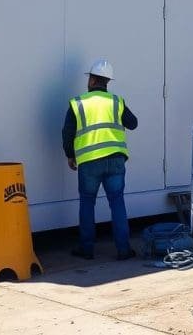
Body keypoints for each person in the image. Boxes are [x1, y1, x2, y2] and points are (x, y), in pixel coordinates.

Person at [62, 59, 139, 261]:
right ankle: (124, 250)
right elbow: (133, 124)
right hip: (115, 160)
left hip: (89, 162)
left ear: (94, 79)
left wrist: (70, 155)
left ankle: (86, 249)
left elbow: (67, 132)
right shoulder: (116, 101)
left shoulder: (78, 103)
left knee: (87, 203)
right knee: (117, 203)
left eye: (89, 77)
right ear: (107, 81)